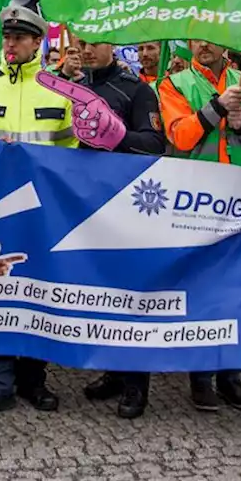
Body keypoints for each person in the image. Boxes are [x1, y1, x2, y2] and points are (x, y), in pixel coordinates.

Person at [0, 5, 78, 421]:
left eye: (19, 38)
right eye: (6, 37)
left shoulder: (62, 92)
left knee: (37, 293)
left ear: (36, 43)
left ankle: (34, 380)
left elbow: (73, 154)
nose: (9, 44)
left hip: (44, 209)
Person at [156, 39, 241, 412]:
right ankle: (201, 377)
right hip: (197, 203)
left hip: (240, 200)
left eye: (211, 38)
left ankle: (231, 376)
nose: (203, 44)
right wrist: (218, 107)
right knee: (201, 291)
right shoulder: (174, 84)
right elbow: (180, 134)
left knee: (238, 291)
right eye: (196, 38)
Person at [67, 38, 167, 420]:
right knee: (100, 294)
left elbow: (156, 143)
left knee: (130, 296)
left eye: (95, 43)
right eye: (82, 44)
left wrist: (118, 135)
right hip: (86, 205)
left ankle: (135, 383)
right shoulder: (77, 90)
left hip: (128, 205)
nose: (88, 50)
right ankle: (112, 370)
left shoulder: (136, 90)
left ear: (113, 45)